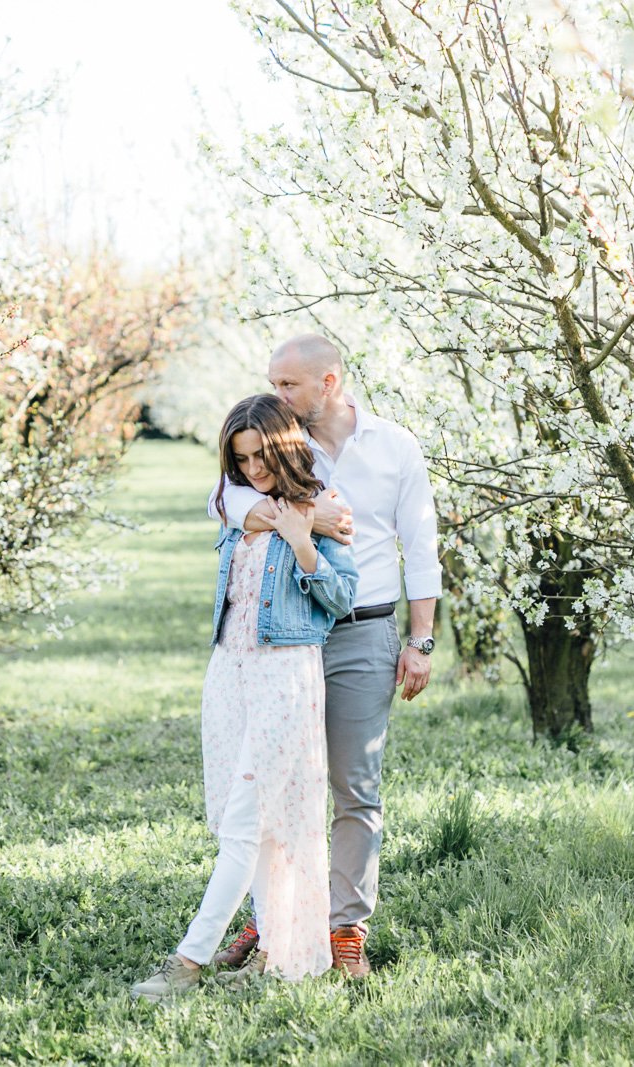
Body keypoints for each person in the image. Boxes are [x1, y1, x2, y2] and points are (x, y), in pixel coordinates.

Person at [209, 335, 441, 979]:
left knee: (354, 787)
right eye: (274, 383)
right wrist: (307, 518)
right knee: (274, 779)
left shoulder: (395, 447)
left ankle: (345, 927)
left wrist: (420, 642)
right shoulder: (280, 443)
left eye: (289, 385)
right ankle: (272, 917)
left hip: (364, 632)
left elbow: (421, 547)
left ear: (328, 382)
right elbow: (224, 501)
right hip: (288, 633)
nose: (277, 396)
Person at [131, 394, 358, 1001]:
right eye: (241, 459)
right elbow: (224, 502)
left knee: (246, 822)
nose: (253, 469)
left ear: (284, 447)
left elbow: (340, 598)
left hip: (285, 675)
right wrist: (290, 518)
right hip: (228, 672)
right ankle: (273, 948)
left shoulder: (327, 510)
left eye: (262, 456)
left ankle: (189, 960)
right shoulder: (239, 504)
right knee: (251, 822)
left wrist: (305, 540)